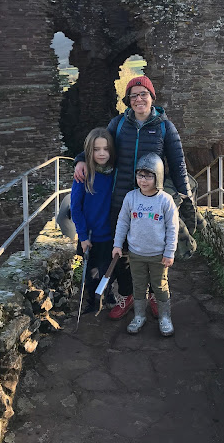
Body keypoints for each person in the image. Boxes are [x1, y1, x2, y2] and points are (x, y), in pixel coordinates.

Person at [74, 75, 193, 320]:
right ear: (128, 100)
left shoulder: (164, 127)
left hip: (151, 200)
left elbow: (178, 164)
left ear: (152, 97)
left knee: (154, 249)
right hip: (120, 200)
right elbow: (99, 145)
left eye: (143, 94)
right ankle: (129, 295)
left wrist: (187, 200)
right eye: (134, 95)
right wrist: (79, 160)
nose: (139, 99)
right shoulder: (118, 124)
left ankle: (155, 295)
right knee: (124, 253)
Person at [112, 153, 178, 336]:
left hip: (158, 255)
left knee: (160, 286)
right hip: (136, 253)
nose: (143, 180)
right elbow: (122, 222)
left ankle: (165, 318)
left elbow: (173, 228)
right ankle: (139, 315)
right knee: (139, 286)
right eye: (140, 175)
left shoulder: (165, 200)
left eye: (149, 176)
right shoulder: (130, 198)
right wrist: (117, 244)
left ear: (158, 176)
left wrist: (169, 252)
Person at [71, 128, 115, 313]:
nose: (102, 153)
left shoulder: (115, 173)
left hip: (110, 235)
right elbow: (75, 207)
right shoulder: (83, 176)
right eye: (97, 149)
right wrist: (82, 235)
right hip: (89, 235)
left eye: (105, 149)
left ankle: (108, 294)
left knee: (108, 271)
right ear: (90, 151)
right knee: (91, 271)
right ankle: (91, 301)